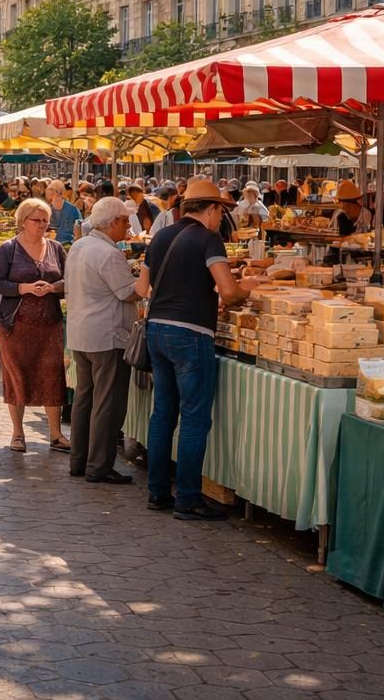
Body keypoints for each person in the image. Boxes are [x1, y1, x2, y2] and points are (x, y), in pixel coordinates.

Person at [138, 180, 260, 521]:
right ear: (210, 209)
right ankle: (188, 499)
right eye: (221, 210)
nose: (222, 217)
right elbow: (229, 291)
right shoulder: (208, 238)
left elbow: (141, 286)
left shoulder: (161, 236)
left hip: (156, 330)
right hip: (190, 335)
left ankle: (158, 492)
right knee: (193, 419)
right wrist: (247, 289)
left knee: (163, 415)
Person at [64, 197, 141, 484]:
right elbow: (128, 292)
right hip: (107, 336)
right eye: (124, 220)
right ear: (113, 223)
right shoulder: (108, 254)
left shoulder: (81, 246)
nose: (128, 225)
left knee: (84, 399)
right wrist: (146, 278)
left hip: (82, 333)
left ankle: (79, 460)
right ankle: (99, 465)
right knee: (108, 403)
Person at [0, 198, 69, 452]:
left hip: (49, 324)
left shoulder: (55, 248)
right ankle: (18, 434)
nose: (42, 225)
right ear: (23, 222)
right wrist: (23, 288)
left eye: (45, 220)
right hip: (15, 326)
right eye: (37, 220)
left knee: (52, 376)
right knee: (17, 376)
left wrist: (53, 287)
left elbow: (68, 280)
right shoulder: (8, 249)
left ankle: (56, 434)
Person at [45, 180, 84, 245]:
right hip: (50, 245)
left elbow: (80, 224)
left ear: (58, 192)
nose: (47, 191)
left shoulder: (73, 209)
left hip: (68, 246)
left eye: (50, 189)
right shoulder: (46, 209)